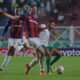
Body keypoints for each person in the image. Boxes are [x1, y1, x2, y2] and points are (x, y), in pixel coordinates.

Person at [0, 5, 46, 75]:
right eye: (33, 9)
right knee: (9, 54)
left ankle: (30, 66)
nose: (34, 11)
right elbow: (8, 24)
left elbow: (33, 29)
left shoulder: (31, 19)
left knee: (38, 57)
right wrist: (3, 35)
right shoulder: (21, 18)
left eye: (35, 10)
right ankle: (42, 71)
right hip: (15, 38)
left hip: (23, 39)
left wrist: (42, 28)